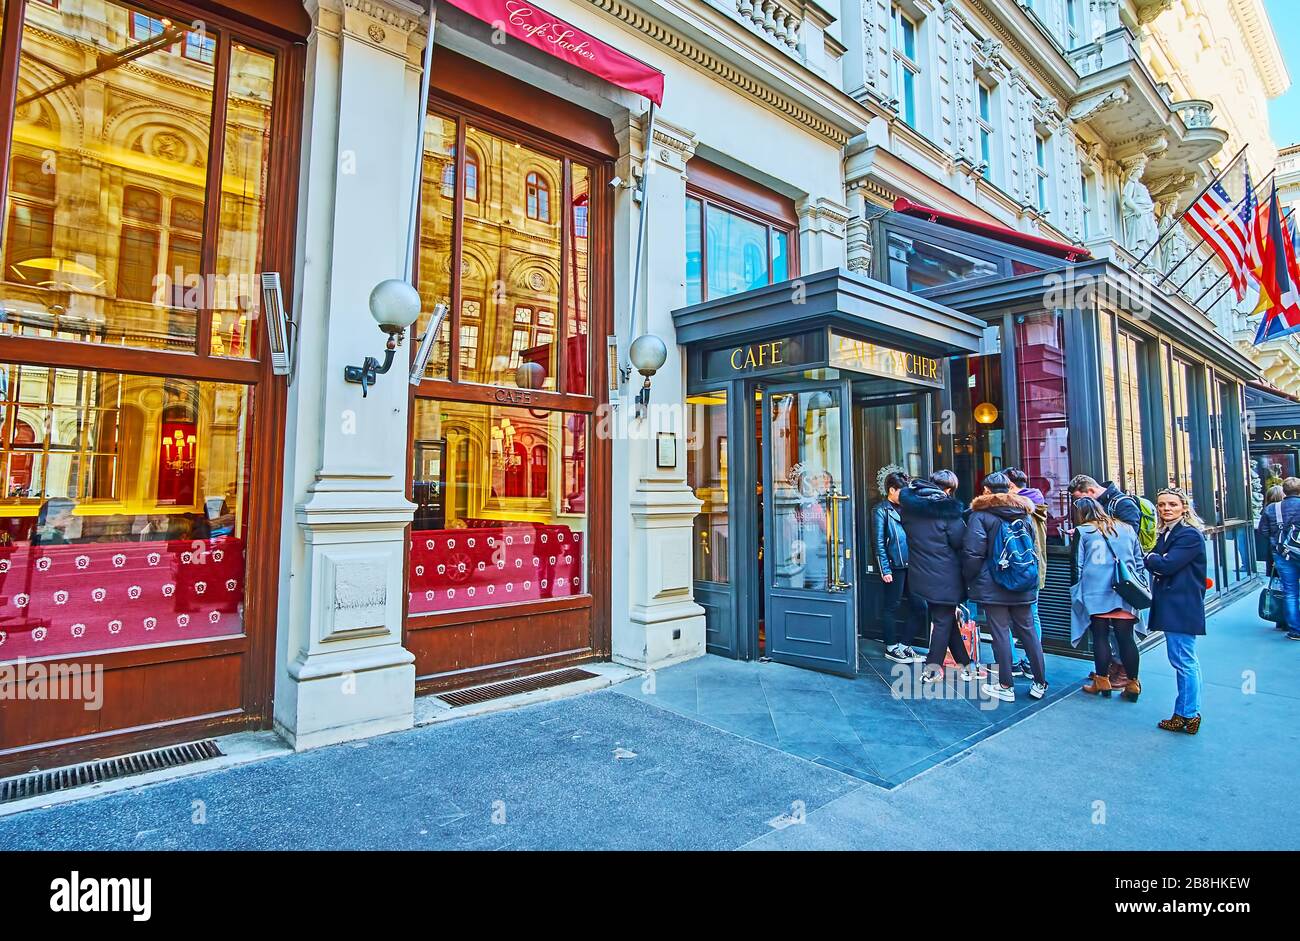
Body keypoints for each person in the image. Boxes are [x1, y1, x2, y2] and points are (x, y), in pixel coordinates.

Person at [962, 472, 1048, 702]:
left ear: (987, 490)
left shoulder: (980, 516)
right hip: (1023, 582)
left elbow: (973, 553)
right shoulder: (1025, 514)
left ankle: (1006, 685)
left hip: (994, 585)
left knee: (1000, 633)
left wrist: (969, 578)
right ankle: (1040, 682)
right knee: (1029, 631)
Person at [898, 469, 975, 682]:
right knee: (943, 620)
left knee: (945, 619)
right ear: (949, 489)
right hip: (945, 575)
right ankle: (931, 669)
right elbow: (960, 541)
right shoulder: (946, 511)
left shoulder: (911, 507)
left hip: (920, 572)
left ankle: (966, 666)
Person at [1069, 497, 1147, 700]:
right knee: (1126, 637)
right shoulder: (1127, 529)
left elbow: (1077, 565)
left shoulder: (1083, 531)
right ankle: (1133, 683)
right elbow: (1139, 561)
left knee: (1100, 635)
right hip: (1125, 590)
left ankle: (1102, 681)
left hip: (1095, 589)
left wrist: (1076, 592)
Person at [1144, 488, 1208, 735]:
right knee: (1183, 660)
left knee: (1184, 661)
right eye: (1161, 505)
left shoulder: (1188, 535)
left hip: (1181, 606)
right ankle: (1185, 713)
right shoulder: (1170, 533)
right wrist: (1156, 560)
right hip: (1176, 604)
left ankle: (1189, 714)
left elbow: (1166, 564)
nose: (1165, 509)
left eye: (1171, 504)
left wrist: (1153, 559)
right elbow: (1161, 562)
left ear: (1184, 507)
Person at [873, 470, 925, 663]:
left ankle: (904, 645)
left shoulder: (909, 509)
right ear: (891, 490)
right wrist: (884, 569)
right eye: (901, 492)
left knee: (920, 606)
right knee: (891, 606)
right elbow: (878, 542)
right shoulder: (881, 510)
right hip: (894, 565)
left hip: (914, 565)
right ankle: (891, 646)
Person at [1005, 467, 1047, 676]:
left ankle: (1014, 662)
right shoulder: (1038, 505)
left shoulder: (1018, 509)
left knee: (1011, 617)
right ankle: (1033, 661)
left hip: (1019, 568)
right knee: (1033, 616)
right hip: (1034, 567)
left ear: (1011, 486)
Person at [1258, 477, 1300, 640]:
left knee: (1290, 591)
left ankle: (1295, 629)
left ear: (1284, 491)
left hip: (1283, 555)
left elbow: (1263, 532)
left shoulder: (1272, 509)